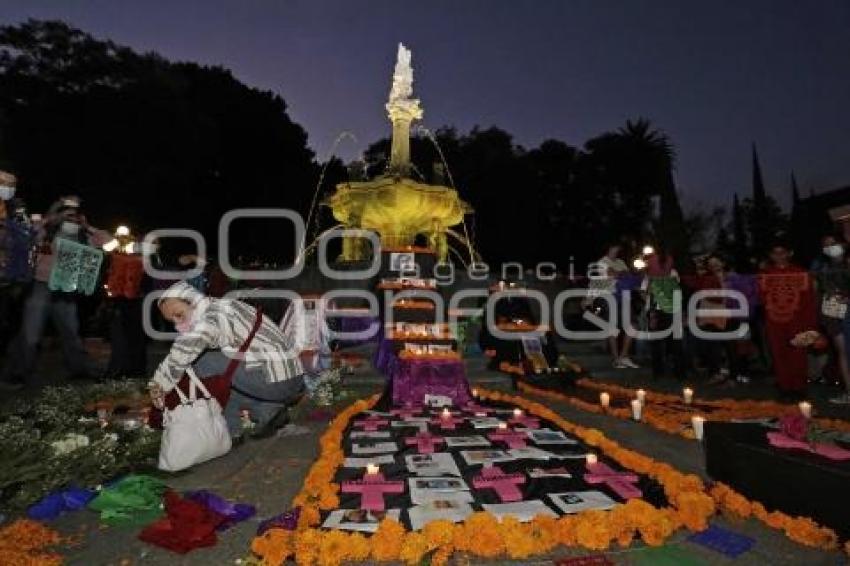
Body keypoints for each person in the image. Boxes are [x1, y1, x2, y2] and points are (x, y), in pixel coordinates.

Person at [148, 281, 305, 441]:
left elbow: (185, 350)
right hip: (289, 377)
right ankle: (268, 411)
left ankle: (231, 430)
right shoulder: (222, 305)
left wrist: (159, 384)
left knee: (205, 363)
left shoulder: (213, 317)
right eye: (172, 321)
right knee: (217, 365)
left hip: (281, 381)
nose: (178, 325)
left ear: (194, 302)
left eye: (179, 315)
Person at [1, 196, 111, 387]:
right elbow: (26, 233)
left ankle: (79, 369)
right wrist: (52, 218)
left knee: (71, 332)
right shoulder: (47, 231)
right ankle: (19, 373)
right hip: (40, 286)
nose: (70, 217)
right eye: (66, 213)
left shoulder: (82, 234)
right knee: (31, 333)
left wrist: (87, 226)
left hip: (65, 289)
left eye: (73, 214)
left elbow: (109, 243)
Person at [758, 242, 817, 397]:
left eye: (782, 252)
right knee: (778, 354)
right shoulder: (765, 274)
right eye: (775, 253)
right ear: (770, 256)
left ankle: (799, 387)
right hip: (773, 320)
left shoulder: (800, 272)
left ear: (789, 253)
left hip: (797, 320)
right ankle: (785, 387)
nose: (779, 256)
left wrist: (811, 325)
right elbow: (760, 298)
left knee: (798, 353)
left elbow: (809, 300)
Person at [810, 235, 850, 404]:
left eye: (833, 244)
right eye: (825, 245)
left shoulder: (848, 263)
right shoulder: (821, 267)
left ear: (842, 244)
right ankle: (849, 392)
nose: (830, 247)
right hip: (833, 314)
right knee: (843, 352)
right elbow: (816, 290)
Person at [586, 243, 639, 369]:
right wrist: (624, 273)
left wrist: (627, 274)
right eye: (615, 247)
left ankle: (624, 357)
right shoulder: (602, 262)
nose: (617, 249)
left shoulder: (621, 261)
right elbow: (614, 274)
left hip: (623, 296)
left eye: (618, 247)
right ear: (609, 248)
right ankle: (616, 359)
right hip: (608, 296)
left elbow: (629, 276)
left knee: (632, 325)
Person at [643, 245, 686, 379]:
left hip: (657, 308)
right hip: (670, 308)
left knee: (657, 342)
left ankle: (659, 372)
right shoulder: (672, 271)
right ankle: (678, 372)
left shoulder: (652, 269)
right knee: (675, 341)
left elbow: (647, 291)